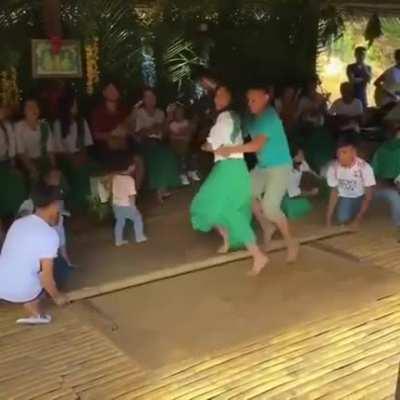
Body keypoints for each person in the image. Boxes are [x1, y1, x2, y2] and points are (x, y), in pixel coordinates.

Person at [216, 85, 298, 263]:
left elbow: (256, 145)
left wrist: (230, 149)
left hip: (280, 166)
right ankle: (267, 227)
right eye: (248, 100)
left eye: (254, 100)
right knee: (246, 193)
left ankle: (291, 243)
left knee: (270, 208)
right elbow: (235, 131)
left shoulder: (269, 115)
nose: (250, 103)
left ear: (266, 98)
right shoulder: (250, 118)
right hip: (262, 167)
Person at [191, 85, 268, 275]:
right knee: (211, 205)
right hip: (233, 167)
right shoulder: (234, 117)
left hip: (228, 169)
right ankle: (228, 239)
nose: (217, 99)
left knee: (208, 205)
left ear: (231, 99)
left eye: (222, 95)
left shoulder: (224, 118)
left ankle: (257, 254)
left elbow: (212, 145)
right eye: (216, 95)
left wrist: (204, 146)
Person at [0, 183, 68, 324]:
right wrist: (57, 297)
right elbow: (47, 279)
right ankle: (35, 311)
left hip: (2, 286)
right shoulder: (49, 235)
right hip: (23, 291)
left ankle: (29, 302)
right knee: (59, 269)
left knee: (22, 266)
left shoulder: (18, 223)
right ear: (54, 205)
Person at [131, 87, 181, 203]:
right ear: (143, 99)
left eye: (152, 96)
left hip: (158, 142)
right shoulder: (139, 112)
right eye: (147, 96)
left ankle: (162, 188)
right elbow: (140, 132)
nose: (150, 99)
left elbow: (162, 133)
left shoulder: (160, 112)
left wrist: (167, 119)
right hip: (144, 143)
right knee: (156, 154)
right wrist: (155, 128)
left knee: (167, 153)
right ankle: (160, 190)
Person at [54, 91, 95, 210]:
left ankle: (91, 203)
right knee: (76, 169)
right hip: (66, 158)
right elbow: (60, 150)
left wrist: (82, 157)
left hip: (81, 155)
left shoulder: (82, 122)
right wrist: (73, 158)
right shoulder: (58, 124)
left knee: (91, 168)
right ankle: (76, 204)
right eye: (74, 104)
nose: (76, 107)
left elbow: (86, 145)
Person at [326, 136, 375, 230]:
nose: (340, 156)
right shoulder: (333, 168)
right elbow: (334, 193)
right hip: (346, 197)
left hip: (361, 196)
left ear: (353, 153)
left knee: (367, 201)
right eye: (338, 153)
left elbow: (368, 196)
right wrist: (328, 219)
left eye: (344, 152)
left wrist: (357, 220)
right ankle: (356, 210)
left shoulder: (364, 168)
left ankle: (361, 211)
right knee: (342, 219)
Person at [111, 152, 147, 247]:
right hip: (127, 205)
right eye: (134, 166)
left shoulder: (115, 178)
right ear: (130, 167)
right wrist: (133, 207)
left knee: (120, 222)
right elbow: (131, 196)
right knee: (137, 218)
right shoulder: (130, 180)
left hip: (116, 204)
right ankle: (139, 237)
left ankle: (118, 241)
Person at [15, 98, 56, 180]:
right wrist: (32, 169)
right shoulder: (19, 127)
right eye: (30, 107)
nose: (33, 109)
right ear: (24, 111)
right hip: (27, 164)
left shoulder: (45, 125)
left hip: (44, 162)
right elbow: (21, 153)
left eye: (35, 106)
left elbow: (50, 151)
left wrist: (54, 168)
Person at [0, 104, 27, 220]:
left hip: (7, 163)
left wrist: (12, 164)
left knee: (18, 181)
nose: (6, 111)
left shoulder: (7, 125)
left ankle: (20, 218)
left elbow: (12, 147)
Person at [166, 103, 196, 186]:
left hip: (185, 143)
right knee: (182, 152)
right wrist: (182, 136)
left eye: (181, 112)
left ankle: (191, 171)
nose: (180, 114)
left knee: (191, 152)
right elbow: (172, 137)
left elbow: (189, 134)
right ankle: (182, 174)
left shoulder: (187, 122)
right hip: (176, 145)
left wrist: (183, 135)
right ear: (174, 114)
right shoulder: (172, 124)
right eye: (177, 112)